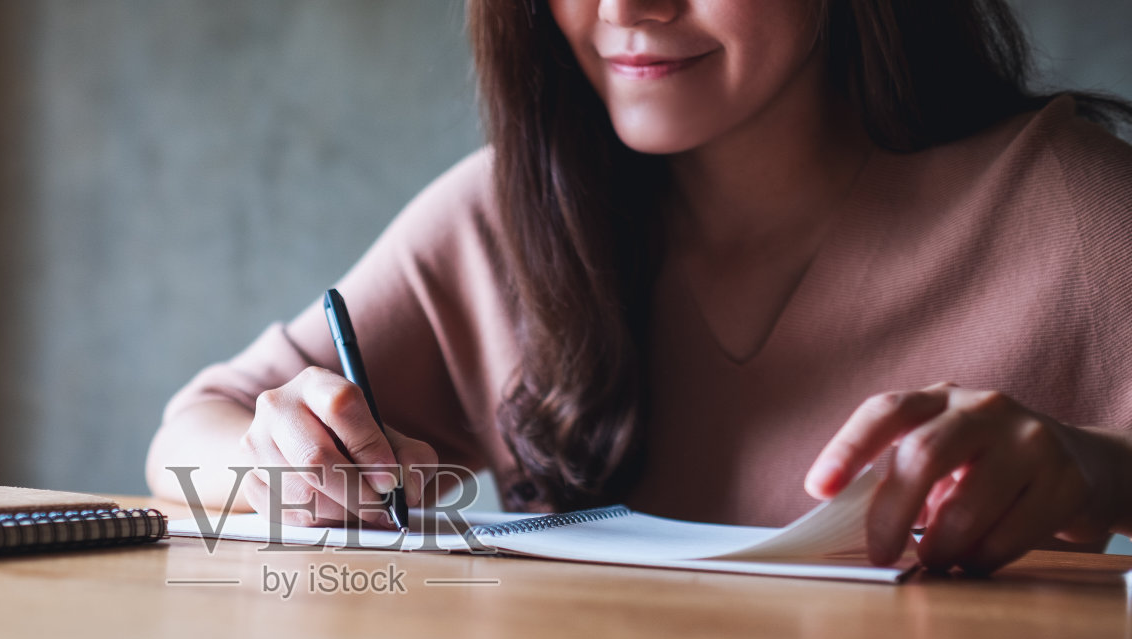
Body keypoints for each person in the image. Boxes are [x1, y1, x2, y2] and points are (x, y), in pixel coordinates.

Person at [146, 0, 1132, 573]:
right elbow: (194, 426)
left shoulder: (1074, 209)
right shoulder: (510, 213)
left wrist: (1096, 470)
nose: (629, 7)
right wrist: (287, 457)